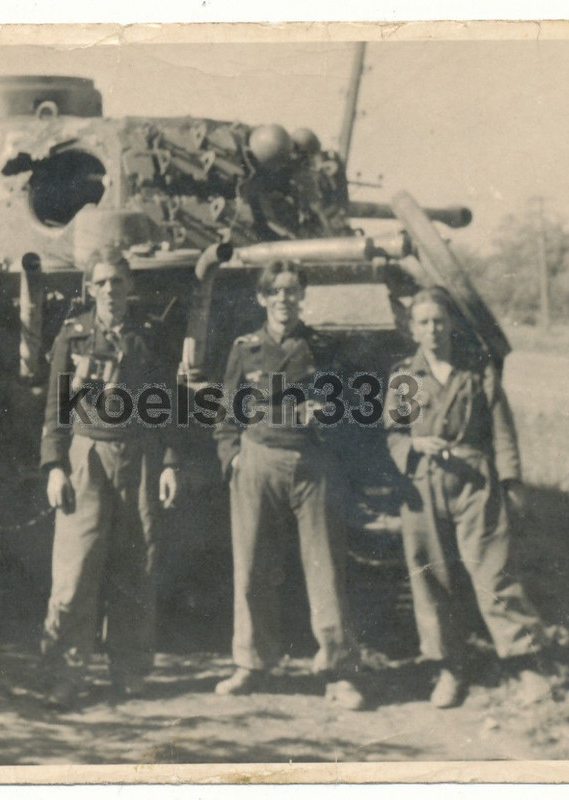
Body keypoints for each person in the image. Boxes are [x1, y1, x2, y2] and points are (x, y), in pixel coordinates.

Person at [385, 287, 555, 708]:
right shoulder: (406, 375)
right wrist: (411, 448)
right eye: (423, 322)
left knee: (493, 572)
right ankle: (449, 668)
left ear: (451, 324)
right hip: (422, 484)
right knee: (432, 578)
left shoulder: (476, 371)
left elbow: (501, 429)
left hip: (473, 479)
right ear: (412, 329)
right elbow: (393, 433)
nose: (432, 330)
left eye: (439, 321)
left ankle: (525, 663)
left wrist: (511, 481)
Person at [213, 261, 366, 711]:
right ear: (262, 299)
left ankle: (338, 670)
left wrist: (329, 426)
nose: (284, 299)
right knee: (251, 565)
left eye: (292, 291)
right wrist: (232, 457)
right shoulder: (245, 348)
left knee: (325, 569)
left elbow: (347, 405)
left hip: (310, 462)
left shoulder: (322, 347)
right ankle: (251, 663)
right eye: (275, 292)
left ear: (302, 297)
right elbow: (226, 410)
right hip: (258, 457)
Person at [38, 251, 179, 705]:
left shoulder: (148, 339)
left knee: (135, 565)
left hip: (138, 455)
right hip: (87, 454)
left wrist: (170, 462)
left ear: (129, 287)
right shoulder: (73, 336)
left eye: (119, 282)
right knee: (76, 569)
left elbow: (165, 409)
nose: (112, 291)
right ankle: (65, 674)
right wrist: (55, 465)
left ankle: (130, 670)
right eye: (103, 283)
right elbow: (57, 406)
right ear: (91, 289)